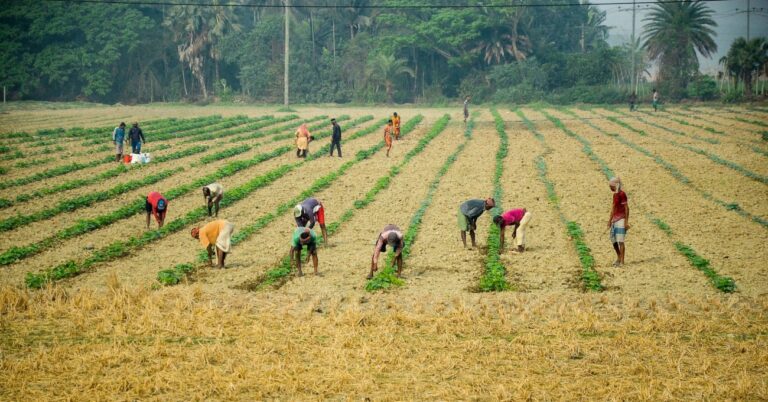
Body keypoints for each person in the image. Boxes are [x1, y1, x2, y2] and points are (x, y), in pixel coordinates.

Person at [607, 177, 629, 267]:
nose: (610, 188)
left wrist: (626, 222)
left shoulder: (622, 194)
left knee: (620, 241)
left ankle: (622, 262)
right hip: (615, 219)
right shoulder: (615, 195)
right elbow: (613, 208)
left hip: (621, 219)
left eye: (611, 186)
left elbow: (626, 208)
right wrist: (609, 220)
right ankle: (619, 257)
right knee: (613, 240)